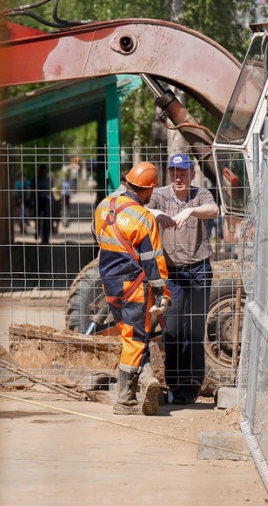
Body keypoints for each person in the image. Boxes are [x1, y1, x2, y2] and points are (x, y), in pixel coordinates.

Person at [93, 162, 171, 416]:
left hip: (109, 284)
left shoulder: (104, 207)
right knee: (136, 339)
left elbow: (99, 238)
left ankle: (146, 381)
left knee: (130, 334)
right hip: (134, 287)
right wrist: (162, 293)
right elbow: (153, 260)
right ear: (147, 190)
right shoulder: (144, 218)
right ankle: (125, 400)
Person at [147, 153, 219, 405]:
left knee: (194, 329)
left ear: (192, 174)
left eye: (184, 172)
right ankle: (174, 384)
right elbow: (142, 208)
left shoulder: (200, 195)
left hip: (198, 269)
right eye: (174, 172)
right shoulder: (160, 194)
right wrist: (157, 214)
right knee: (173, 331)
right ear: (169, 174)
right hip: (171, 273)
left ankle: (191, 386)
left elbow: (214, 210)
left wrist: (190, 210)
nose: (179, 177)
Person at [33, 164, 53, 244]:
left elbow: (51, 191)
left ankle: (46, 239)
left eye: (44, 170)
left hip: (46, 201)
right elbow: (31, 191)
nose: (43, 172)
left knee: (46, 220)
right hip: (37, 200)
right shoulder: (35, 180)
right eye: (42, 170)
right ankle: (37, 232)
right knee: (37, 219)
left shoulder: (49, 180)